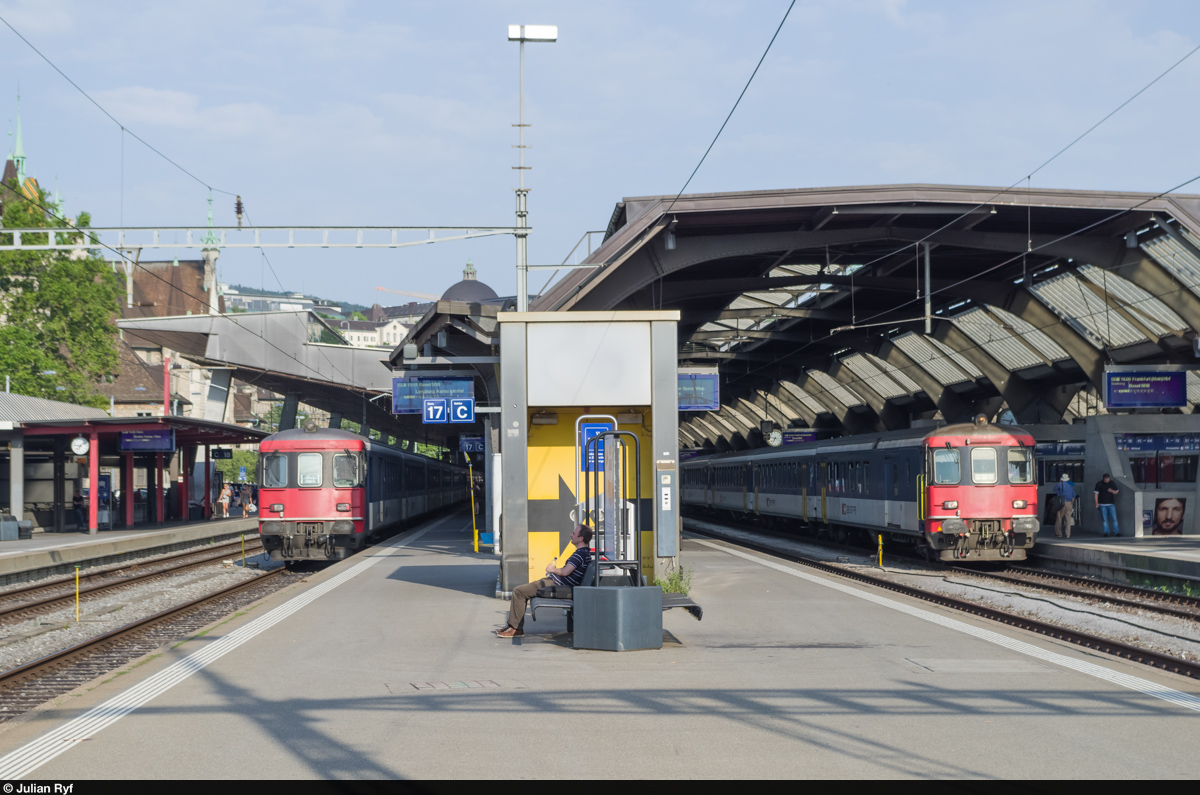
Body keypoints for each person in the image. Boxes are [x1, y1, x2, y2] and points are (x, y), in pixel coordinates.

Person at [498, 525, 593, 638]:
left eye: (573, 533)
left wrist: (552, 569)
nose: (570, 535)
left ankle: (516, 629)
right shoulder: (585, 554)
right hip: (557, 583)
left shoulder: (579, 554)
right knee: (524, 590)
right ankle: (513, 625)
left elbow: (565, 572)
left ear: (581, 538)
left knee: (519, 591)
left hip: (556, 585)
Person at [1054, 473, 1076, 538]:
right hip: (1069, 503)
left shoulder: (1059, 485)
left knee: (1059, 518)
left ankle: (1058, 533)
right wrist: (1071, 504)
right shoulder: (1070, 486)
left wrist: (1059, 482)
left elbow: (1054, 490)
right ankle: (1068, 534)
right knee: (1068, 519)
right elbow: (1073, 497)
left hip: (1062, 503)